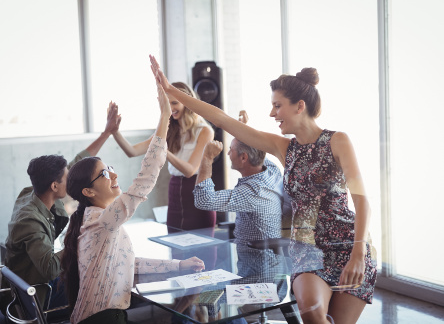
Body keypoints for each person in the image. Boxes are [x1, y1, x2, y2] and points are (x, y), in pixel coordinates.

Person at [149, 55, 377, 324]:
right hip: (307, 253)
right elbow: (222, 120)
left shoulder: (338, 141)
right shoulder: (284, 149)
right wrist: (172, 91)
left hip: (349, 247)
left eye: (277, 106)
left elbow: (362, 202)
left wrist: (358, 254)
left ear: (299, 106)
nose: (272, 113)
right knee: (312, 311)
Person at [60, 83, 205, 324]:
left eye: (110, 169)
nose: (114, 176)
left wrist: (179, 265)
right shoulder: (102, 220)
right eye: (105, 174)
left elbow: (129, 263)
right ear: (88, 191)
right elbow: (145, 179)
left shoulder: (99, 219)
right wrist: (164, 115)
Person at [0, 102, 121, 314]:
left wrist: (106, 133)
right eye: (67, 178)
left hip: (30, 279)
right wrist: (79, 240)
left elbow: (77, 163)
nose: (71, 179)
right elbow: (50, 269)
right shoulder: (30, 221)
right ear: (54, 186)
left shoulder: (34, 191)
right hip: (35, 294)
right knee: (98, 285)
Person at [112, 82, 216, 231]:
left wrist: (163, 149)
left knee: (202, 250)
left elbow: (190, 171)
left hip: (196, 193)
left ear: (187, 103)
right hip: (174, 192)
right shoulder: (167, 130)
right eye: (167, 104)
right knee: (175, 248)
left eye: (175, 103)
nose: (171, 108)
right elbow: (132, 151)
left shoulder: (205, 131)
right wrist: (115, 132)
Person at [193, 110, 283, 246]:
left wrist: (207, 158)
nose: (228, 153)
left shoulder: (252, 192)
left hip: (254, 263)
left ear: (243, 158)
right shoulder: (272, 171)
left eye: (231, 149)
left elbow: (203, 200)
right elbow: (258, 149)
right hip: (267, 259)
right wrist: (243, 130)